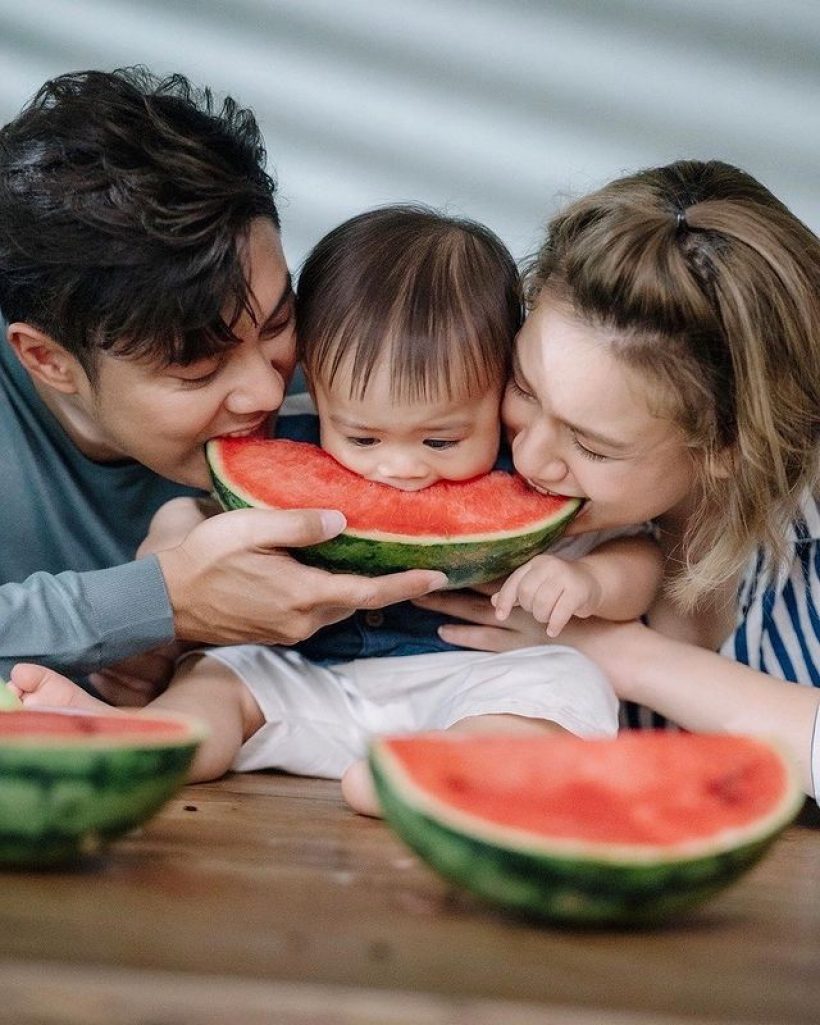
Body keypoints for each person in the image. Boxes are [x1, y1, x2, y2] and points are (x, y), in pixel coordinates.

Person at [11, 205, 666, 812]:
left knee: (560, 688)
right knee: (219, 677)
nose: (399, 468)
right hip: (312, 676)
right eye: (361, 437)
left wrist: (589, 582)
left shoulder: (532, 462)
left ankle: (448, 769)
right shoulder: (283, 435)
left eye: (441, 439)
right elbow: (201, 514)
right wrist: (173, 533)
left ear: (501, 387)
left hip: (473, 677)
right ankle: (140, 741)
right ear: (317, 390)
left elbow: (639, 555)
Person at [0, 67, 447, 688]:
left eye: (277, 322)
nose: (269, 392)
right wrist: (161, 600)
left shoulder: (355, 384)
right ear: (48, 360)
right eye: (198, 369)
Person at [411, 159, 820, 798]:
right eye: (524, 387)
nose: (530, 461)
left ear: (729, 445)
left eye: (592, 447)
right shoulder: (457, 451)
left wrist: (622, 655)